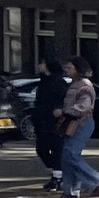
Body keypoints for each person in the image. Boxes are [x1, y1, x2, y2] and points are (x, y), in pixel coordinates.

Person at [54, 58, 99, 198]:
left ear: (78, 69)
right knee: (66, 156)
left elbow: (84, 106)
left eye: (69, 67)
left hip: (82, 122)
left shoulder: (84, 86)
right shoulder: (75, 84)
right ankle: (71, 190)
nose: (66, 69)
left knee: (71, 153)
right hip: (74, 122)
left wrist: (65, 112)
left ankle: (95, 180)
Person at [28, 55, 65, 190]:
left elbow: (61, 99)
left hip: (54, 121)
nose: (39, 66)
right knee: (41, 148)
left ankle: (58, 177)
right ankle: (56, 173)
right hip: (42, 120)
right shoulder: (43, 82)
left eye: (42, 63)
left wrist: (58, 110)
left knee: (56, 148)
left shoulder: (58, 82)